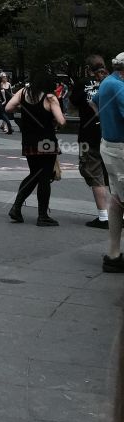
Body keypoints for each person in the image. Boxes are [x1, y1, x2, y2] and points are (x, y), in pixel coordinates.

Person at [5, 71, 65, 226]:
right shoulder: (50, 97)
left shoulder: (23, 92)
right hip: (47, 142)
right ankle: (42, 216)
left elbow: (8, 108)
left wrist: (24, 109)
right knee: (44, 177)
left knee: (33, 174)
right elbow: (61, 120)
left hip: (29, 141)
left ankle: (16, 207)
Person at [75, 55, 110, 229]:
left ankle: (104, 217)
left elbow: (74, 103)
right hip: (111, 134)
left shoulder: (82, 84)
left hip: (88, 135)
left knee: (94, 174)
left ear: (88, 68)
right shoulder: (114, 82)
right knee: (114, 175)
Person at [98, 52, 124, 273]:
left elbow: (93, 102)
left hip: (108, 144)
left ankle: (114, 254)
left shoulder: (108, 82)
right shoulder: (120, 87)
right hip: (121, 149)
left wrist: (107, 124)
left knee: (116, 201)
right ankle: (114, 256)